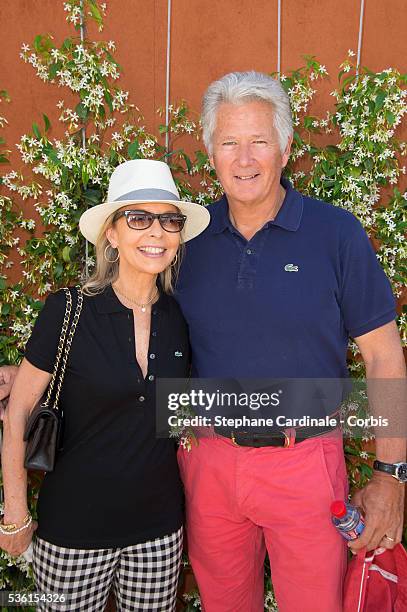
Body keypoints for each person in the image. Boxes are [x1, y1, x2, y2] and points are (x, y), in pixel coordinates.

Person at [174, 72, 406, 611]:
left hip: (305, 466)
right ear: (211, 151)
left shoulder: (336, 234)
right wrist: (44, 373)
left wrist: (390, 474)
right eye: (229, 142)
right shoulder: (185, 238)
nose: (245, 157)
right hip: (210, 464)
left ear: (285, 146)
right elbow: (137, 328)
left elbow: (383, 355)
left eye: (259, 140)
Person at [0, 158, 210, 612]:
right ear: (112, 234)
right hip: (71, 533)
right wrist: (15, 513)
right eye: (139, 218)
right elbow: (17, 412)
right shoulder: (68, 311)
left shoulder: (180, 318)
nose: (156, 232)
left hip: (158, 532)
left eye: (169, 220)